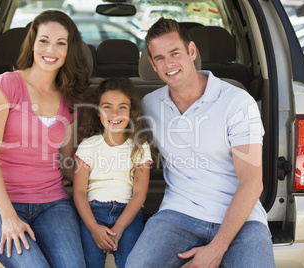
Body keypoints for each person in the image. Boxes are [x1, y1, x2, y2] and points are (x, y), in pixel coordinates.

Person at [126, 18, 275, 268]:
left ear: (192, 51)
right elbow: (117, 141)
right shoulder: (150, 104)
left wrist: (217, 248)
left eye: (175, 53)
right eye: (159, 58)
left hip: (243, 219)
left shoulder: (237, 102)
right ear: (152, 64)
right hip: (179, 213)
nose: (169, 64)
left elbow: (252, 183)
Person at [0, 10, 88, 268]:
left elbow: (66, 162)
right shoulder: (6, 85)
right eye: (44, 40)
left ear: (70, 50)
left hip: (53, 203)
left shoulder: (69, 99)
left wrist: (106, 173)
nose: (51, 49)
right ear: (32, 44)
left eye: (61, 43)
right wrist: (9, 216)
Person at [73, 77, 153, 268]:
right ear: (98, 112)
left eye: (122, 107)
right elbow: (79, 192)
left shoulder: (139, 146)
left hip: (128, 214)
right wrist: (93, 228)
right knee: (90, 262)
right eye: (107, 107)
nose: (114, 113)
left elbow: (140, 194)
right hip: (93, 212)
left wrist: (118, 228)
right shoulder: (88, 145)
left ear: (132, 112)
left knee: (130, 262)